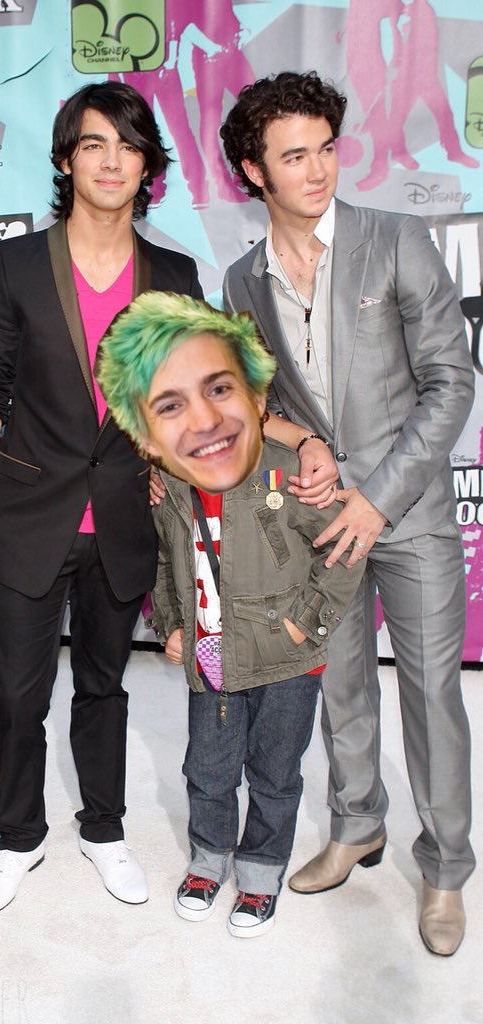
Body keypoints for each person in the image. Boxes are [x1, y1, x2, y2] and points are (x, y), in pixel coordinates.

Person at [220, 70, 475, 956]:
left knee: (432, 693)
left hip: (411, 515)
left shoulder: (395, 240)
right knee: (342, 688)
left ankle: (445, 868)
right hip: (319, 520)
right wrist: (301, 445)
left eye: (326, 148)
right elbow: (251, 401)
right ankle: (357, 824)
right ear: (254, 172)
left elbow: (451, 383)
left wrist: (378, 496)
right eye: (294, 156)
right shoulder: (242, 280)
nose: (319, 169)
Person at [0, 81, 205, 915]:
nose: (111, 161)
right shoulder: (18, 265)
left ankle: (104, 827)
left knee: (104, 688)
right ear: (66, 159)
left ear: (147, 167)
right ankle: (18, 836)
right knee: (15, 697)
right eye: (94, 144)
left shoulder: (175, 276)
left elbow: (188, 406)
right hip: (26, 519)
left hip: (124, 519)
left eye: (128, 147)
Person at [95, 290, 365, 936]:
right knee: (208, 771)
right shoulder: (172, 479)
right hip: (212, 656)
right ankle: (208, 860)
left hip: (288, 661)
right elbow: (167, 561)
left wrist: (304, 624)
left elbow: (345, 550)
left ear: (259, 401)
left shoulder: (292, 474)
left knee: (274, 773)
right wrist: (172, 624)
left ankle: (261, 872)